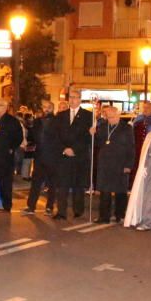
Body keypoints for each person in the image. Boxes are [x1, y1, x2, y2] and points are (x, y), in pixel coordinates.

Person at [51, 90, 93, 220]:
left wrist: (74, 149)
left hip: (79, 155)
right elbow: (55, 136)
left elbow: (87, 137)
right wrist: (64, 148)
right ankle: (61, 212)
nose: (72, 100)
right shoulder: (61, 115)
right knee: (62, 185)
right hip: (63, 156)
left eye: (75, 98)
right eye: (71, 98)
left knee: (78, 185)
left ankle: (78, 210)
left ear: (80, 99)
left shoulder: (88, 116)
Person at [91, 105, 134, 223]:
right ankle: (104, 217)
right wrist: (93, 134)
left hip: (120, 163)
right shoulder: (103, 126)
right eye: (107, 116)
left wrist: (128, 165)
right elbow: (98, 143)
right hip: (105, 163)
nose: (110, 119)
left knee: (120, 190)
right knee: (105, 190)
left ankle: (120, 215)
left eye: (112, 116)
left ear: (117, 115)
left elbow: (131, 148)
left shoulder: (126, 128)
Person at [24, 101, 57, 214]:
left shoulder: (58, 121)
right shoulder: (37, 121)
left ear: (52, 108)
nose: (46, 109)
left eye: (49, 107)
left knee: (52, 183)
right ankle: (31, 206)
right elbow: (32, 137)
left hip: (53, 156)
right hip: (39, 156)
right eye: (44, 107)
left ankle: (49, 207)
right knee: (35, 182)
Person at [131, 101, 151, 189]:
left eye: (147, 107)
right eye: (144, 107)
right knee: (137, 165)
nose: (145, 109)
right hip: (138, 147)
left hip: (150, 148)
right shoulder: (138, 119)